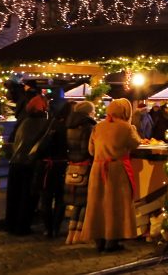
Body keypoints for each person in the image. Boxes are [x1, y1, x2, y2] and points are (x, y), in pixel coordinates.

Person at [81, 98, 141, 252]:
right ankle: (112, 240)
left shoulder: (98, 127)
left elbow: (91, 150)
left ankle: (98, 239)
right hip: (116, 170)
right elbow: (135, 143)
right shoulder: (127, 128)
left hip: (97, 168)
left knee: (97, 204)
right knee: (115, 205)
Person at [6, 94, 49, 235]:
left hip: (15, 162)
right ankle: (22, 226)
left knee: (14, 195)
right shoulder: (42, 123)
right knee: (27, 196)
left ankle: (11, 224)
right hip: (29, 164)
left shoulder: (24, 121)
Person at [37, 101, 73, 238]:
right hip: (61, 165)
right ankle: (56, 228)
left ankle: (48, 229)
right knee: (60, 199)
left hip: (47, 166)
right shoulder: (68, 128)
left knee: (46, 198)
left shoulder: (50, 124)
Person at [64, 100, 96, 244]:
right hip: (85, 166)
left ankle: (70, 235)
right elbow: (86, 150)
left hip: (72, 165)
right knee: (85, 202)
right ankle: (79, 234)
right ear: (88, 112)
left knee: (76, 202)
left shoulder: (70, 125)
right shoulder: (87, 126)